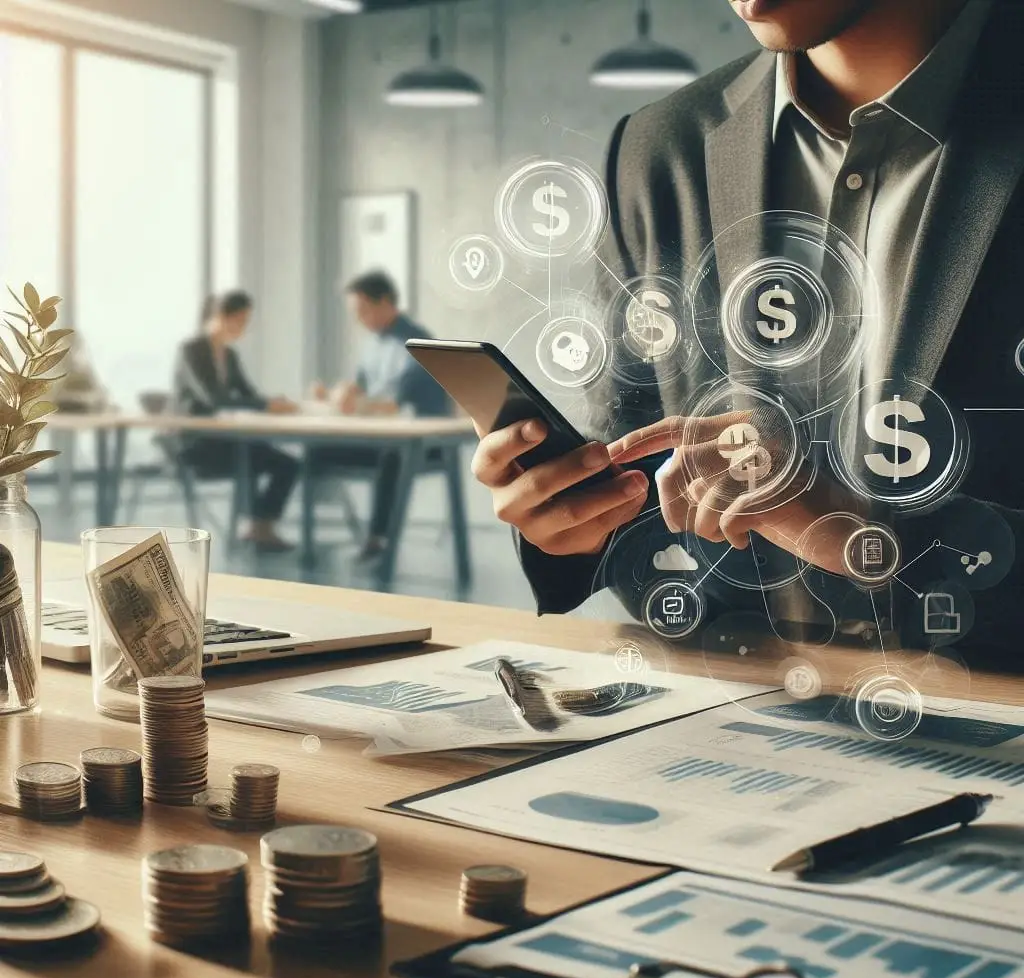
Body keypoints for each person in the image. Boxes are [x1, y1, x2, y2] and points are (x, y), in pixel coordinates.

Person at [471, 0, 1024, 659]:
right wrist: (578, 520)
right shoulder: (660, 148)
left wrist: (875, 537)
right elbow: (647, 473)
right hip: (734, 710)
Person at [313, 271, 448, 562]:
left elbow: (395, 405)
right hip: (380, 438)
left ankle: (377, 540)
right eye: (354, 312)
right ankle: (303, 542)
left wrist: (357, 401)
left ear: (385, 302)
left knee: (392, 455)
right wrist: (339, 392)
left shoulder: (417, 342)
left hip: (425, 443)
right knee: (316, 452)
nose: (358, 319)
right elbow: (360, 387)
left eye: (362, 310)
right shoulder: (372, 344)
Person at [173, 290, 300, 552]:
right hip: (195, 444)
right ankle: (258, 527)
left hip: (224, 439)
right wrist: (265, 405)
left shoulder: (229, 355)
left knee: (287, 463)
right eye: (241, 320)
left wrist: (275, 403)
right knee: (258, 456)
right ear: (221, 316)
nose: (244, 327)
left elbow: (248, 394)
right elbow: (213, 399)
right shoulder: (192, 351)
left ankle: (260, 526)